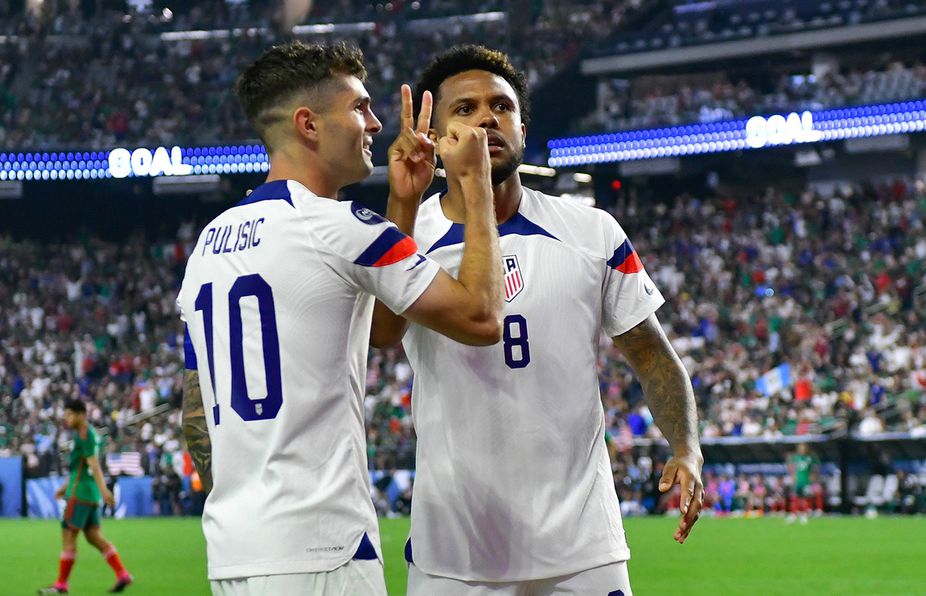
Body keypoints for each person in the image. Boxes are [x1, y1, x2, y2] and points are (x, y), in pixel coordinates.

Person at [370, 45, 705, 595]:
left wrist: (687, 448)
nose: (486, 119)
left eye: (501, 107)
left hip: (582, 547)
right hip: (455, 550)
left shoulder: (591, 231)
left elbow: (651, 355)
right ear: (435, 134)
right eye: (465, 109)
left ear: (523, 127)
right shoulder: (411, 235)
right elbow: (382, 335)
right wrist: (400, 205)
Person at [178, 41, 503, 596]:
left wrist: (404, 204)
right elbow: (481, 318)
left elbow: (195, 411)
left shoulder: (208, 244)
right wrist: (472, 184)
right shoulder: (339, 227)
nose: (375, 123)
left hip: (236, 551)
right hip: (324, 550)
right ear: (308, 124)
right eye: (358, 108)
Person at [39, 399, 132, 594]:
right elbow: (80, 468)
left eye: (69, 414)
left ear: (81, 414)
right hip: (88, 493)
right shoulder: (89, 434)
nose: (66, 418)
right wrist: (65, 486)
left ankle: (61, 585)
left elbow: (94, 465)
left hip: (79, 495)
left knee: (68, 536)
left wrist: (105, 490)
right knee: (93, 536)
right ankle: (122, 574)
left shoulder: (84, 434)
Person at [787, 443, 818, 523]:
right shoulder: (796, 458)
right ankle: (794, 514)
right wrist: (793, 476)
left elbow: (815, 468)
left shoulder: (810, 458)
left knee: (806, 498)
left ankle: (805, 515)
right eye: (800, 448)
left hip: (806, 481)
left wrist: (813, 477)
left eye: (803, 448)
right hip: (798, 481)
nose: (802, 449)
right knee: (794, 498)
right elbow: (792, 467)